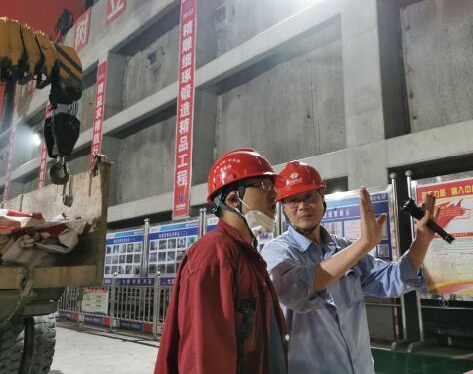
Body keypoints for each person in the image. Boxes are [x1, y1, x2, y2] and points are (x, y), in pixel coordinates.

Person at [261, 161, 436, 374]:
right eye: (293, 200)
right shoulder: (276, 252)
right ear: (283, 207)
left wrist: (422, 240)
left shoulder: (344, 248)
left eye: (309, 196)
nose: (302, 206)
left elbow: (393, 278)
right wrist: (363, 244)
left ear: (322, 196)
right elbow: (294, 289)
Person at [154, 149, 288, 374]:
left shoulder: (247, 256)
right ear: (233, 199)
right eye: (263, 186)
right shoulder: (214, 256)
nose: (274, 194)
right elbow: (204, 359)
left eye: (273, 187)